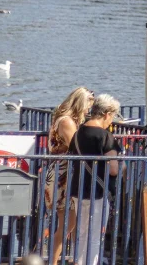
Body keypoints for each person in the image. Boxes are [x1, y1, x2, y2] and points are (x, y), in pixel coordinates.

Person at [69, 94, 121, 265]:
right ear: (107, 114)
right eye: (112, 117)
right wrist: (124, 165)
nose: (111, 121)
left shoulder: (78, 134)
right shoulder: (105, 137)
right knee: (95, 236)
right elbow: (113, 169)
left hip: (78, 189)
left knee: (82, 234)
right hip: (97, 191)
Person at [46, 87, 94, 264]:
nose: (88, 111)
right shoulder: (66, 121)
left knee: (72, 224)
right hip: (62, 175)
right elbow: (76, 146)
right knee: (67, 223)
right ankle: (53, 261)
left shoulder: (64, 119)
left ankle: (78, 260)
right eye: (87, 107)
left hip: (64, 173)